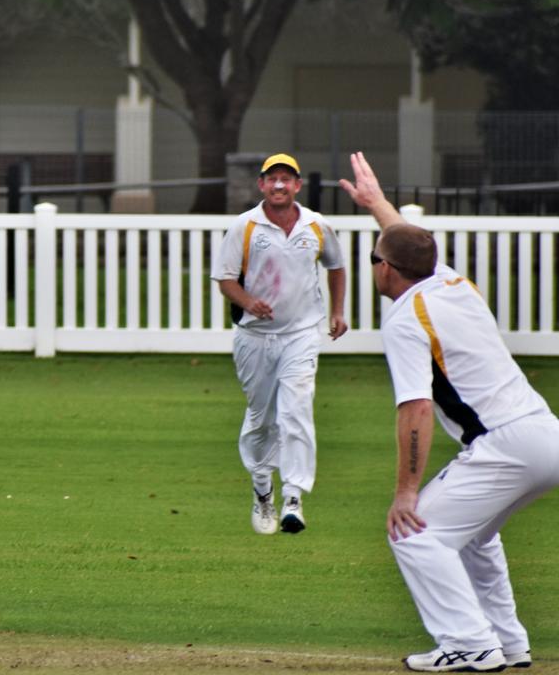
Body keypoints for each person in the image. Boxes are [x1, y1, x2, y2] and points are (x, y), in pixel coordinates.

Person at [339, 152, 555, 673]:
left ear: (385, 269)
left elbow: (415, 410)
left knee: (415, 533)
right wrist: (377, 204)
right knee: (475, 536)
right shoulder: (453, 282)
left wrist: (405, 493)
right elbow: (410, 242)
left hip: (504, 444)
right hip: (545, 433)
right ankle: (508, 642)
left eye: (374, 259)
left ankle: (469, 643)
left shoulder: (404, 320)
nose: (374, 265)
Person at [212, 153, 347, 535]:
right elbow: (225, 280)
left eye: (286, 179)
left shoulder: (316, 226)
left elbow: (336, 266)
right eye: (272, 179)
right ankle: (261, 488)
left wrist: (338, 312)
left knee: (297, 409)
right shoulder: (246, 226)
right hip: (254, 336)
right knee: (261, 419)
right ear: (262, 185)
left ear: (297, 186)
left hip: (301, 333)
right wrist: (247, 301)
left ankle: (293, 496)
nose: (279, 185)